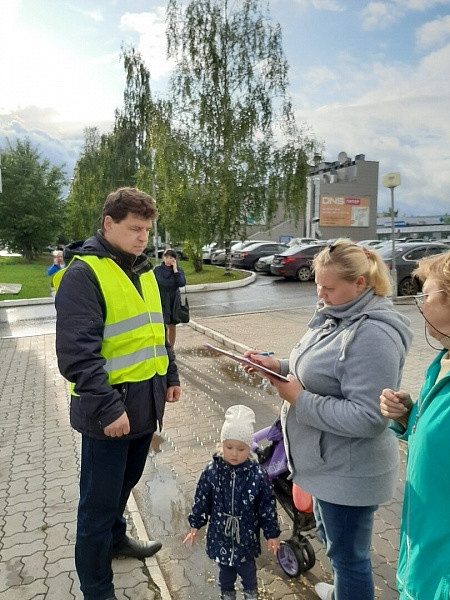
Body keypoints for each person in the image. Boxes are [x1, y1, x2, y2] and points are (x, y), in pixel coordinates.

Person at [243, 239, 413, 600]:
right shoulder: (336, 315)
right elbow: (320, 372)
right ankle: (341, 592)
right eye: (317, 285)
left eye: (329, 287)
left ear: (360, 285)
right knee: (337, 548)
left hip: (349, 472)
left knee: (350, 559)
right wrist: (278, 367)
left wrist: (300, 400)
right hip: (324, 465)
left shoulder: (373, 335)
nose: (320, 294)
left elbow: (369, 418)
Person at [54, 187, 181, 600]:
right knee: (96, 508)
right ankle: (97, 588)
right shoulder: (83, 274)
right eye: (134, 229)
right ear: (108, 224)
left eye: (147, 229)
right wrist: (110, 410)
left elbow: (156, 332)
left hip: (145, 407)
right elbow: (78, 355)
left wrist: (172, 374)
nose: (143, 237)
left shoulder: (143, 269)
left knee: (122, 490)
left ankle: (118, 541)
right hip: (109, 414)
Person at [380, 251, 450, 600]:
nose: (420, 303)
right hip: (420, 558)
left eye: (428, 294)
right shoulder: (440, 364)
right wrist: (408, 417)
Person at [183, 405, 281, 600]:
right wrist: (195, 524)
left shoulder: (257, 475)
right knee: (225, 572)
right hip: (221, 535)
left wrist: (272, 534)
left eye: (241, 448)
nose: (234, 454)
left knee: (248, 572)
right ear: (221, 445)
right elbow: (202, 498)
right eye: (229, 448)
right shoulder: (212, 471)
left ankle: (251, 595)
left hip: (246, 536)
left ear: (249, 448)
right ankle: (227, 595)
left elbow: (267, 507)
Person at [153, 248, 186, 348]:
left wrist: (175, 270)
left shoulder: (178, 271)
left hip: (173, 301)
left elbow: (181, 283)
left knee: (172, 325)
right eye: (166, 257)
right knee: (164, 325)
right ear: (163, 258)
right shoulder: (157, 270)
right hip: (162, 300)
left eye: (171, 257)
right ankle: (165, 348)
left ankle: (171, 348)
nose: (168, 259)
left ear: (174, 259)